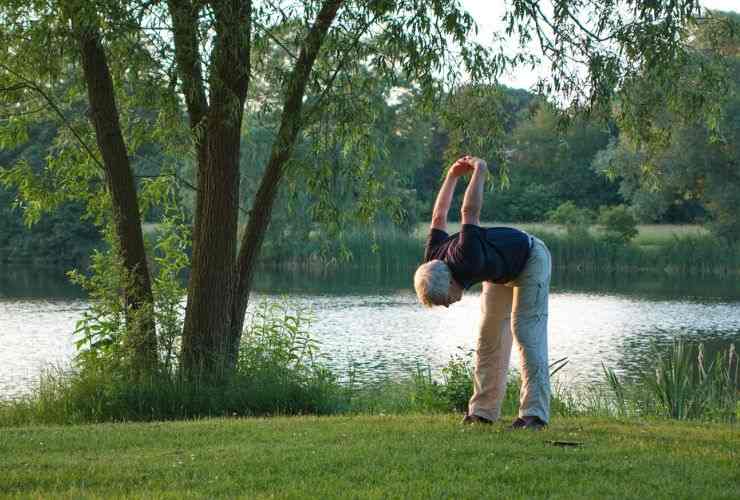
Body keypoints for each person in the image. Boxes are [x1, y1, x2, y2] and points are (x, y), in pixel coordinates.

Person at [413, 155, 552, 430]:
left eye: (445, 301)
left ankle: (534, 415)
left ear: (451, 281)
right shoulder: (433, 258)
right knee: (488, 339)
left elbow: (469, 212)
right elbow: (439, 216)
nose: (449, 306)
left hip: (531, 258)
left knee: (525, 332)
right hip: (499, 271)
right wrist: (451, 176)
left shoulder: (467, 257)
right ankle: (482, 412)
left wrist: (480, 170)